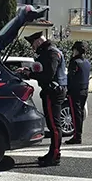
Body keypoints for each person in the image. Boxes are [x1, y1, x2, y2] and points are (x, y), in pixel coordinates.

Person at [23, 32, 67, 167]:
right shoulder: (49, 52)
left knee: (54, 126)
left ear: (38, 42)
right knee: (52, 125)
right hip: (52, 91)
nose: (33, 48)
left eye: (33, 45)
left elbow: (48, 75)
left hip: (53, 92)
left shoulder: (51, 53)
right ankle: (52, 153)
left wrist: (30, 74)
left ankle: (55, 156)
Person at [65, 41, 91, 145]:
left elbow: (70, 77)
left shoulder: (74, 62)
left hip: (75, 91)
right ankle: (78, 135)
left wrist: (67, 89)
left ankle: (77, 136)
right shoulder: (87, 62)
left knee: (75, 114)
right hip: (85, 90)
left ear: (76, 50)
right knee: (79, 113)